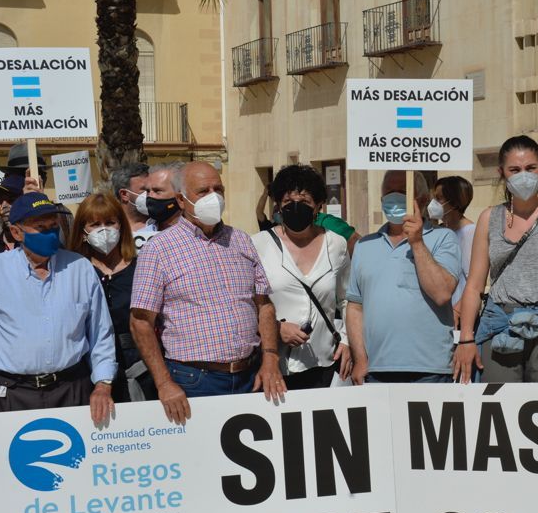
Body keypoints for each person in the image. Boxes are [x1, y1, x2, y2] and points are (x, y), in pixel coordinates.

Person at [130, 161, 283, 424]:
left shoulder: (241, 240)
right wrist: (164, 382)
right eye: (203, 191)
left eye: (218, 189)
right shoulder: (160, 250)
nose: (214, 197)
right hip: (194, 382)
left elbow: (264, 305)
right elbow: (141, 322)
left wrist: (270, 358)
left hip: (251, 377)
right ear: (181, 199)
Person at [454, 136, 538, 384]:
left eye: (531, 168)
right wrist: (466, 338)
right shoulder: (489, 218)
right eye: (514, 170)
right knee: (495, 412)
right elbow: (475, 286)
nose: (523, 176)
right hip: (499, 327)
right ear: (502, 173)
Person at [0, 192, 116, 433]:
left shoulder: (79, 268)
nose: (50, 233)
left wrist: (103, 385)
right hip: (12, 394)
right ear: (16, 232)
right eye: (40, 227)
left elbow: (100, 334)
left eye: (53, 226)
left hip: (72, 389)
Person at [346, 171, 460, 383]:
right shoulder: (364, 246)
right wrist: (360, 359)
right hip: (377, 370)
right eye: (388, 192)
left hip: (430, 370)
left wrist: (416, 242)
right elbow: (355, 307)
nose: (393, 197)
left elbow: (442, 293)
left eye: (402, 191)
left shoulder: (443, 238)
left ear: (423, 200)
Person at [252, 165, 352, 389]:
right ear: (278, 206)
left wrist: (346, 340)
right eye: (288, 202)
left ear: (318, 206)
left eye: (305, 202)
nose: (296, 208)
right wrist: (275, 328)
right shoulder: (257, 245)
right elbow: (245, 304)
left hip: (325, 364)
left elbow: (347, 299)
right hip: (274, 368)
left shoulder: (336, 244)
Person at [68, 193, 142, 403]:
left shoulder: (140, 267)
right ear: (83, 231)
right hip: (89, 371)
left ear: (121, 226)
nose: (104, 229)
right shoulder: (74, 271)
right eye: (95, 224)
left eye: (110, 223)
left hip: (137, 367)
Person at [430, 175, 476, 323]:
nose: (433, 203)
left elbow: (474, 279)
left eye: (439, 198)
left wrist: (458, 310)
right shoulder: (439, 231)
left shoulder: (470, 233)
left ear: (455, 202)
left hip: (456, 316)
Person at [111, 162, 156, 252]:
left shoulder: (163, 224)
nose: (152, 195)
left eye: (154, 189)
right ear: (124, 194)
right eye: (146, 190)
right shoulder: (109, 227)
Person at [143, 161, 185, 231]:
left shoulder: (201, 234)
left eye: (157, 191)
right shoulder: (141, 236)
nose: (150, 196)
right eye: (148, 191)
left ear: (180, 195)